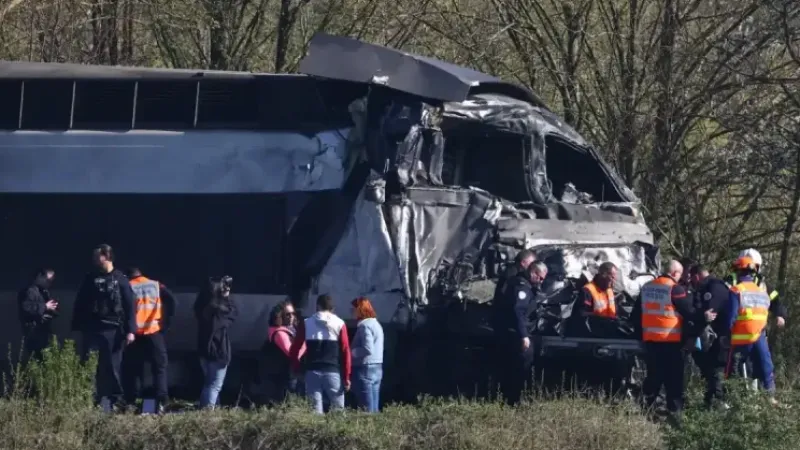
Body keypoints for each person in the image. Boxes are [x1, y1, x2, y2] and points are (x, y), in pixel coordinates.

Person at [640, 260, 714, 421]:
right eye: (680, 274)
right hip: (670, 341)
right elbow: (689, 312)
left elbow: (636, 315)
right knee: (674, 379)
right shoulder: (674, 288)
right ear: (674, 273)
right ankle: (675, 414)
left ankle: (645, 409)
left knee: (654, 376)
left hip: (650, 341)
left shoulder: (646, 287)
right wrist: (704, 316)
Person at [71, 244, 137, 410]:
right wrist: (77, 326)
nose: (94, 260)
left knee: (113, 366)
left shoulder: (120, 278)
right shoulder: (90, 278)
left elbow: (130, 306)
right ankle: (90, 398)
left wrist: (131, 330)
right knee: (89, 365)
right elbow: (80, 302)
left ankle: (115, 399)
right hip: (92, 328)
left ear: (107, 257)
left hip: (113, 330)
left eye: (97, 256)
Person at [121, 267, 176, 413]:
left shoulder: (128, 286)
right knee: (159, 368)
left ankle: (132, 402)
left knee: (133, 369)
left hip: (134, 335)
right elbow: (172, 301)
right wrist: (165, 323)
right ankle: (161, 403)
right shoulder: (155, 284)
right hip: (154, 332)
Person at [493, 261, 547, 405]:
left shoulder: (526, 285)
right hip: (517, 333)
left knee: (522, 366)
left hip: (518, 331)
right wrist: (524, 335)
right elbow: (518, 312)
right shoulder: (521, 287)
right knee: (520, 367)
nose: (541, 281)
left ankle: (519, 397)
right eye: (540, 278)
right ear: (533, 272)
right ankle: (515, 399)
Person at [725, 256, 778, 404]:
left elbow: (731, 317)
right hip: (759, 337)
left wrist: (725, 334)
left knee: (732, 370)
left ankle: (728, 401)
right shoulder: (762, 291)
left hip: (740, 339)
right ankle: (770, 398)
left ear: (738, 272)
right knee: (765, 367)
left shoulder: (736, 290)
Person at [290, 294, 351, 414]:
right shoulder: (340, 323)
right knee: (338, 411)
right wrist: (347, 377)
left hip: (312, 372)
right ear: (332, 309)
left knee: (314, 412)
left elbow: (295, 348)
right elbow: (345, 351)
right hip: (333, 371)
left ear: (317, 306)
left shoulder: (306, 323)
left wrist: (296, 369)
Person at [689, 264, 730, 409]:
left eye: (692, 279)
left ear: (696, 276)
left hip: (720, 337)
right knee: (710, 370)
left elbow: (709, 314)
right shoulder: (715, 285)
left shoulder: (713, 287)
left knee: (715, 370)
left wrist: (694, 330)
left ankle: (717, 403)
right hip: (718, 337)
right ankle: (710, 402)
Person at [194, 276, 238, 409]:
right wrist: (226, 297)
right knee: (214, 386)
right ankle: (208, 414)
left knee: (208, 384)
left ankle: (211, 410)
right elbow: (234, 313)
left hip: (204, 349)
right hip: (218, 350)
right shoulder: (221, 312)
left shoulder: (201, 308)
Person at [725, 248, 787, 328]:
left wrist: (780, 314)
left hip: (756, 330)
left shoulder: (761, 284)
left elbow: (775, 300)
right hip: (734, 328)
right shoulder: (730, 281)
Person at [264, 299, 305, 405]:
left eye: (293, 313)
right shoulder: (279, 333)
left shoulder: (291, 329)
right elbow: (292, 353)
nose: (291, 316)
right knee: (285, 403)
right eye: (287, 314)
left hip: (288, 374)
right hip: (282, 376)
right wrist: (304, 344)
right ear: (280, 316)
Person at [350, 296, 384, 413]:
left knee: (366, 408)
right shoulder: (376, 324)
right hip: (377, 367)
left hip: (365, 368)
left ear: (360, 309)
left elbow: (368, 348)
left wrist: (351, 353)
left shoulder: (365, 326)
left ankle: (367, 430)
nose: (352, 312)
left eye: (353, 309)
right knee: (374, 406)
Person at [17, 268, 59, 362]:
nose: (49, 284)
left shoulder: (43, 292)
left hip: (44, 331)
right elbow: (26, 308)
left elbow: (49, 308)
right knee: (38, 359)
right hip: (34, 332)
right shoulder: (29, 291)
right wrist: (45, 306)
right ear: (40, 276)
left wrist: (53, 309)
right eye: (47, 281)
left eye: (51, 282)